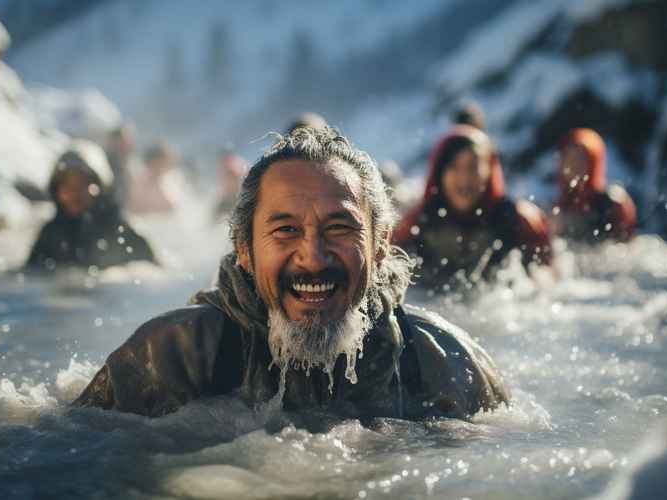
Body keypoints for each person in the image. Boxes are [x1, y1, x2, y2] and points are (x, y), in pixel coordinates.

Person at [73, 127, 510, 419]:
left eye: (339, 228)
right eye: (285, 230)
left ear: (379, 247)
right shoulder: (172, 358)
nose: (313, 257)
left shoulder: (445, 364)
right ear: (244, 250)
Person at [393, 125, 552, 291]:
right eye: (454, 166)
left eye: (473, 166)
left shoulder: (519, 220)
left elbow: (546, 279)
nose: (465, 178)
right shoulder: (416, 223)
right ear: (439, 173)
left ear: (490, 171)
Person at [24, 140, 156, 272]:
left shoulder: (121, 232)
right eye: (67, 190)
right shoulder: (50, 235)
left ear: (100, 189)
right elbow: (30, 275)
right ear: (56, 193)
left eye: (82, 188)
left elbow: (152, 276)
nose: (75, 197)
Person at [552, 128, 636, 243]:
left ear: (593, 163)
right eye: (569, 160)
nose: (573, 166)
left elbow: (625, 246)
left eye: (579, 160)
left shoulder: (612, 203)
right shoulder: (559, 206)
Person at [129, 140, 180, 214]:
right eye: (165, 162)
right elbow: (136, 208)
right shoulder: (141, 181)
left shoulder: (166, 180)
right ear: (155, 162)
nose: (167, 167)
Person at [105, 123, 138, 210]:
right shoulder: (104, 165)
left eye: (128, 142)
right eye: (122, 142)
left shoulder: (131, 165)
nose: (126, 145)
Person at [213, 147, 248, 221]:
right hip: (232, 195)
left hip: (235, 195)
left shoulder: (231, 164)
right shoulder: (235, 162)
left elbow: (238, 177)